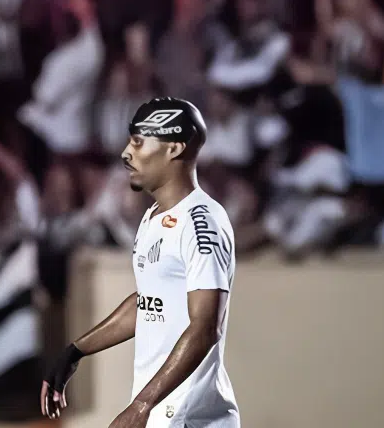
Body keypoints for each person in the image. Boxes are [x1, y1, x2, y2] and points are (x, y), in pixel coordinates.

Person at [41, 97, 238, 427]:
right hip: (162, 416)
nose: (126, 153)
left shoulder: (202, 222)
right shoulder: (153, 218)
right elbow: (149, 303)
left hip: (191, 420)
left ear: (173, 149)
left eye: (138, 141)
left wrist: (142, 404)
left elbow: (206, 326)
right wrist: (75, 351)